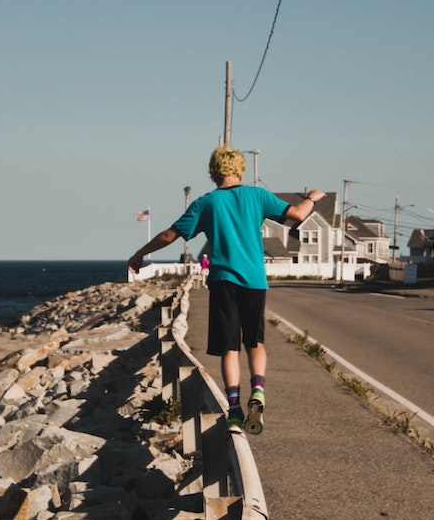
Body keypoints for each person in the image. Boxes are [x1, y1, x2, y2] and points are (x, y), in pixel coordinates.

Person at [127, 147, 320, 433]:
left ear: (213, 173)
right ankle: (258, 391)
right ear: (240, 170)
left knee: (229, 348)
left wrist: (140, 253)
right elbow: (299, 214)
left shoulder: (206, 203)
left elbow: (171, 234)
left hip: (222, 282)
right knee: (255, 342)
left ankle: (233, 408)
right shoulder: (258, 196)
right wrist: (312, 198)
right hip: (254, 281)